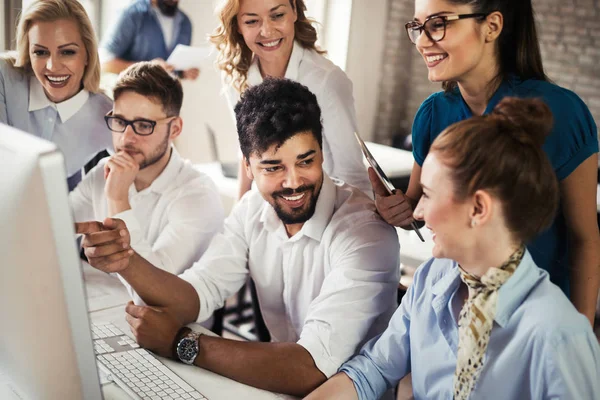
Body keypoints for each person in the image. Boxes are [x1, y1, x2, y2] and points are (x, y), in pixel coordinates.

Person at [76, 78, 399, 397]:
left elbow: (310, 367)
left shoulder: (364, 232)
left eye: (306, 161)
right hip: (280, 388)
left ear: (322, 153)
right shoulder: (252, 209)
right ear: (248, 166)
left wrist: (182, 343)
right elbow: (197, 294)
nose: (293, 182)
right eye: (273, 168)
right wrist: (125, 260)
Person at [306, 97, 600, 400]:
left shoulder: (559, 334)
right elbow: (373, 370)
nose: (417, 212)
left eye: (429, 195)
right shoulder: (431, 278)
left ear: (478, 208)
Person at [372, 0, 600, 325]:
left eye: (438, 24)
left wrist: (580, 335)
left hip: (536, 321)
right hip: (458, 314)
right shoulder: (434, 114)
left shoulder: (561, 113)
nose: (422, 40)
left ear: (491, 26)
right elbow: (417, 210)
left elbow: (585, 238)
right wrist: (397, 210)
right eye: (417, 27)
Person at [70, 62, 224, 305]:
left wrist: (118, 199)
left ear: (175, 129)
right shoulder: (103, 171)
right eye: (119, 121)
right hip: (106, 304)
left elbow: (151, 296)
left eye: (143, 125)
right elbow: (55, 227)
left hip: (167, 329)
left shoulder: (198, 195)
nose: (126, 138)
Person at [211, 0, 372, 198]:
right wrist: (240, 210)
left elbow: (351, 172)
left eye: (277, 16)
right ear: (237, 25)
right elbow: (247, 153)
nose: (267, 31)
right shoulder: (236, 76)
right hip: (266, 204)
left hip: (318, 204)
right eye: (252, 21)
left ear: (294, 11)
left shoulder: (326, 80)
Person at [0, 0, 112, 190]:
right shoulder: (5, 77)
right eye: (40, 52)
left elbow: (154, 171)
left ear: (87, 54)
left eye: (67, 52)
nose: (52, 66)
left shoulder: (106, 113)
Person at [100, 0, 199, 80]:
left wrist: (183, 73)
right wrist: (148, 68)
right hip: (133, 97)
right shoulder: (131, 14)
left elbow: (172, 69)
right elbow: (105, 63)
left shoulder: (185, 22)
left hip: (167, 100)